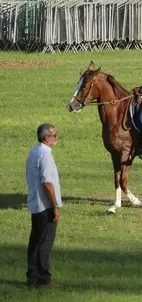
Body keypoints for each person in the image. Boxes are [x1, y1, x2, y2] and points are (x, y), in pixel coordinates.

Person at [26, 123, 62, 289]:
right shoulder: (46, 155)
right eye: (54, 135)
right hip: (46, 205)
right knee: (44, 243)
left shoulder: (34, 152)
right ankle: (43, 280)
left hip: (35, 204)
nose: (56, 138)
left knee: (34, 242)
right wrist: (54, 206)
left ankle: (32, 277)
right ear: (46, 137)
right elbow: (47, 182)